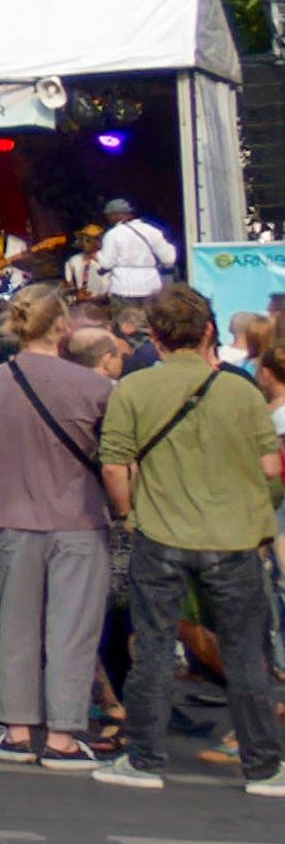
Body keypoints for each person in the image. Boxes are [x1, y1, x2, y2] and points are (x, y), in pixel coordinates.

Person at [102, 283, 285, 792]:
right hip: (232, 536)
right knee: (247, 651)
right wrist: (255, 509)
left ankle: (144, 759)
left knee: (155, 648)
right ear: (208, 331)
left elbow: (116, 464)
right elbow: (272, 469)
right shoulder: (240, 391)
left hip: (160, 533)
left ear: (154, 337)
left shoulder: (134, 390)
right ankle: (264, 766)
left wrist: (129, 513)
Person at [0, 285, 118, 769]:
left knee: (15, 625)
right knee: (72, 629)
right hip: (78, 516)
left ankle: (16, 730)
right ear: (62, 326)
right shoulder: (94, 387)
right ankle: (64, 735)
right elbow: (107, 456)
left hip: (14, 514)